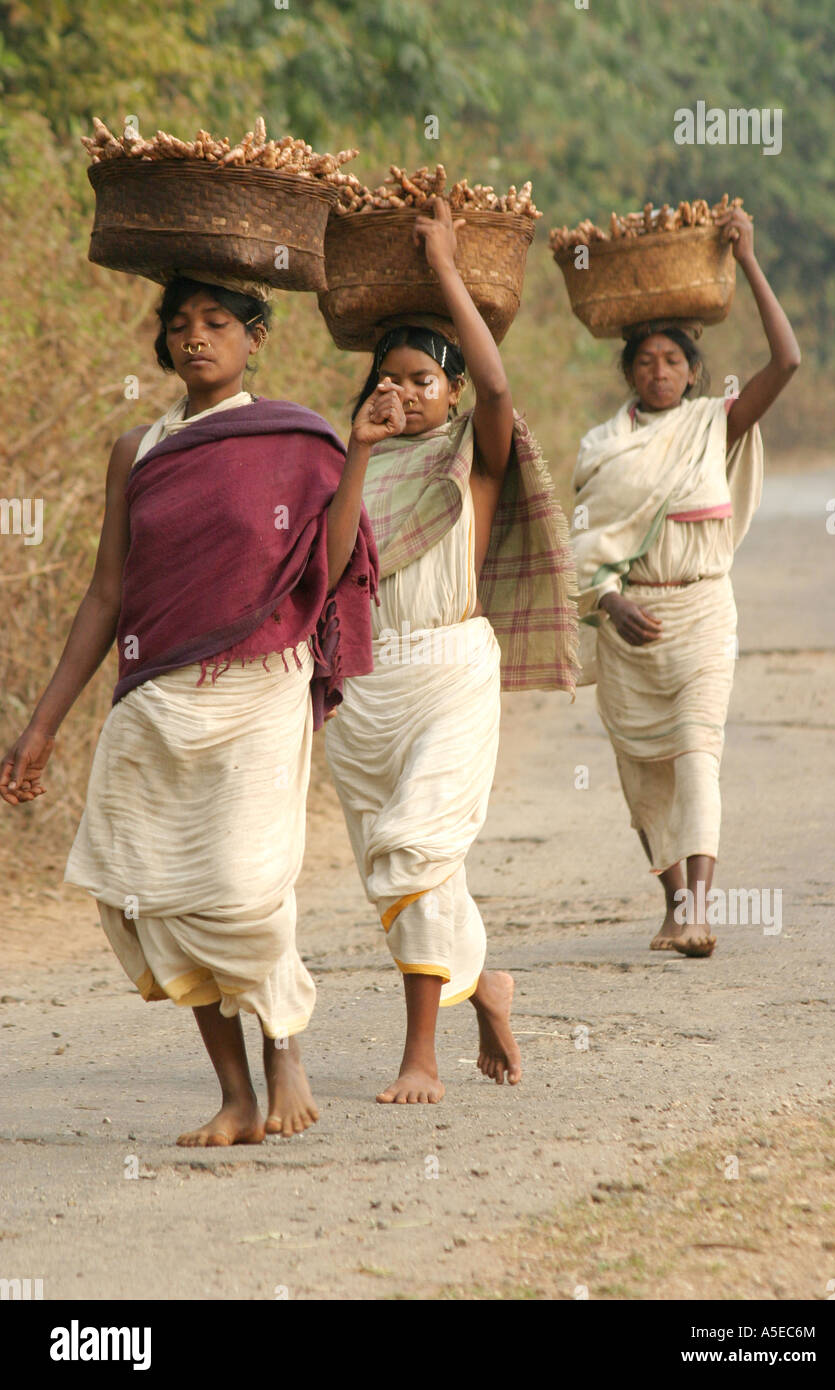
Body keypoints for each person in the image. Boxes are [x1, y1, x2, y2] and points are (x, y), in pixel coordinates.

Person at [0, 271, 396, 1145]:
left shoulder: (300, 439)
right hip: (156, 695)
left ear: (257, 336)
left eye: (218, 322)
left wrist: (360, 450)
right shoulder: (137, 450)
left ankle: (284, 1041)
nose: (196, 338)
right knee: (154, 892)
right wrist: (44, 723)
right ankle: (236, 1096)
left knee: (244, 890)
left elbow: (327, 568)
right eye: (179, 324)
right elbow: (108, 592)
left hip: (261, 687)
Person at [324, 197, 578, 1102]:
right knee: (404, 870)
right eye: (384, 379)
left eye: (420, 381)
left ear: (452, 394)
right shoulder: (345, 460)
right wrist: (359, 449)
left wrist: (443, 271)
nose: (400, 392)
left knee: (413, 844)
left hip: (450, 671)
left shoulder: (473, 458)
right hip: (364, 683)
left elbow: (501, 390)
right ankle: (487, 988)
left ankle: (419, 1057)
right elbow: (328, 565)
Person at [570, 205, 800, 957]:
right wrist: (608, 601)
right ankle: (673, 905)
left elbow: (788, 362)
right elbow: (585, 545)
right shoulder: (602, 447)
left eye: (673, 361)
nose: (659, 372)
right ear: (629, 372)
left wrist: (751, 261)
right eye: (645, 362)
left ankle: (701, 907)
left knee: (699, 753)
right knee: (643, 773)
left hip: (702, 611)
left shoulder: (715, 425)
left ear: (695, 372)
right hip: (630, 621)